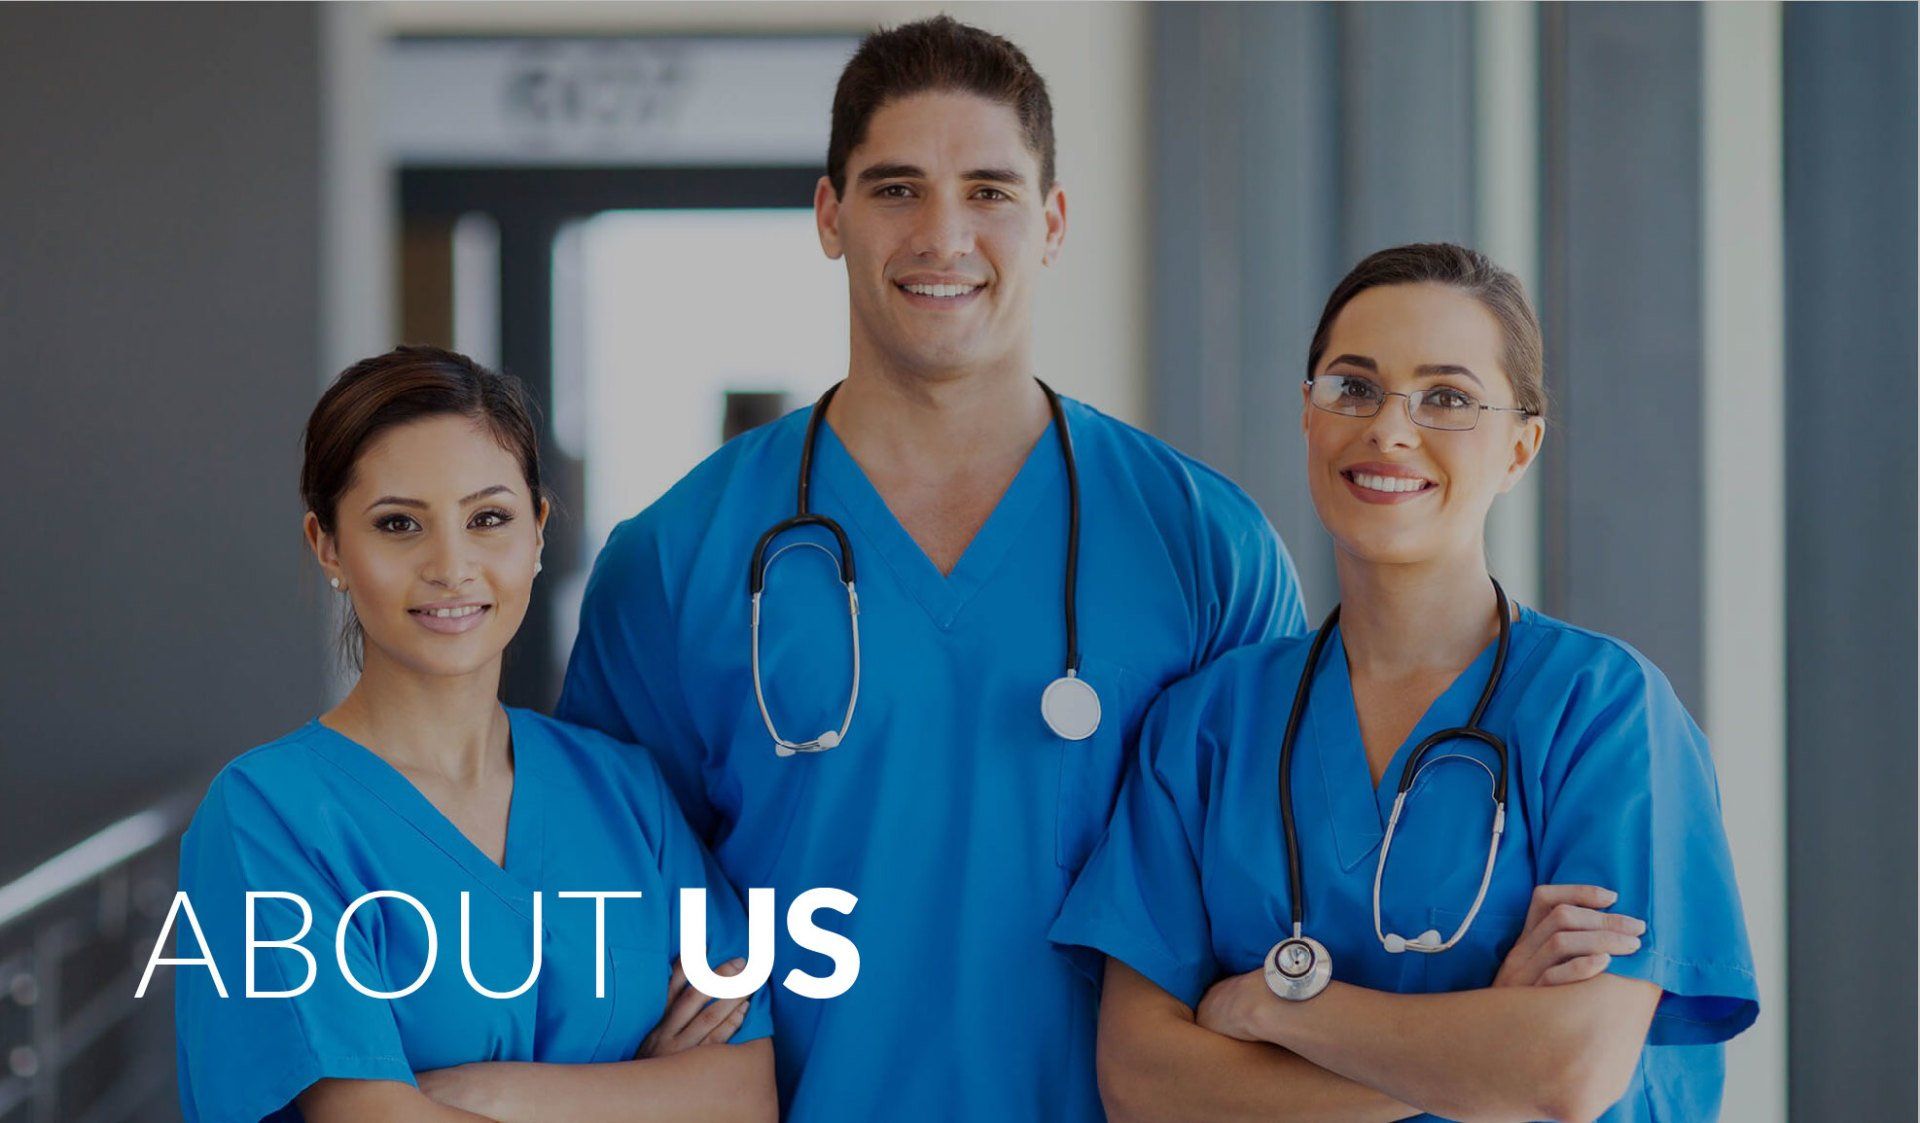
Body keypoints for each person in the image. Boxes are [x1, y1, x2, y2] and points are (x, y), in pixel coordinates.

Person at [555, 16, 1306, 1120]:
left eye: (989, 191)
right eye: (897, 189)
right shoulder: (675, 559)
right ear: (830, 216)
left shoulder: (1206, 547)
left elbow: (1280, 889)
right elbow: (602, 899)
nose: (943, 235)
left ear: (1052, 223)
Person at [1050, 244, 1759, 1122]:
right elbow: (1142, 1081)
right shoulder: (1208, 725)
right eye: (1353, 386)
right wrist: (1478, 1051)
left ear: (1521, 446)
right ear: (1307, 414)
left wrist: (1278, 1004)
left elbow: (1569, 1069)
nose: (1388, 428)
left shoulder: (1604, 711)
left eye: (1448, 398)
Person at [174, 346, 775, 1122]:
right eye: (399, 524)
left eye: (488, 518)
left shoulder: (627, 794)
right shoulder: (269, 815)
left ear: (538, 532)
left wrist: (494, 1092)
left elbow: (745, 1093)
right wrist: (647, 1094)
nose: (451, 565)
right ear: (328, 546)